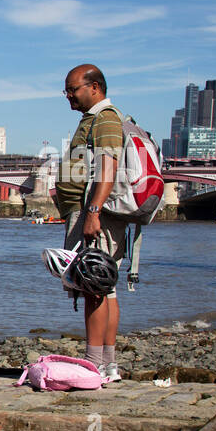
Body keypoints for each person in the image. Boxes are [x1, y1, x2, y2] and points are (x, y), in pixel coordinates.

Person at [58, 63, 126, 382]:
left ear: (95, 87)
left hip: (95, 214)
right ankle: (107, 364)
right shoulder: (94, 119)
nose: (69, 95)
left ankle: (94, 362)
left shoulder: (105, 119)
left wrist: (93, 212)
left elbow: (107, 168)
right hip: (90, 211)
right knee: (104, 287)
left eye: (73, 89)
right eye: (67, 90)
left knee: (93, 286)